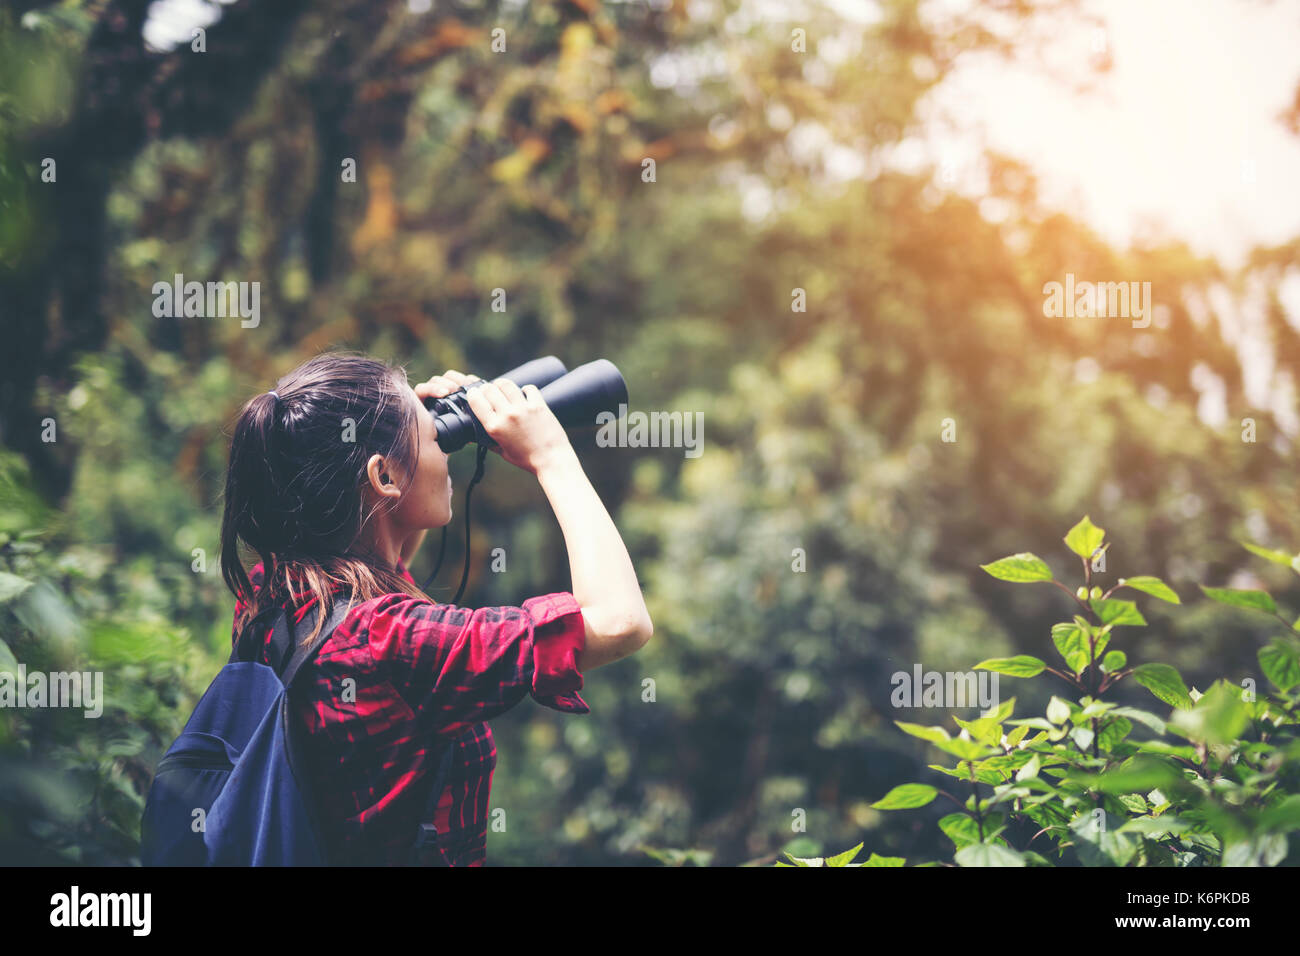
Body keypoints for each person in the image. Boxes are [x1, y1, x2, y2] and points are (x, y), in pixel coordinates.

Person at [218, 352, 653, 865]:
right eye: (436, 439)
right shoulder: (390, 642)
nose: (446, 450)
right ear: (382, 478)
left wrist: (411, 434)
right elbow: (620, 621)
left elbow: (382, 553)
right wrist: (552, 455)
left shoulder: (273, 593)